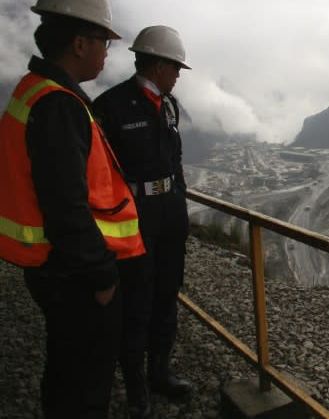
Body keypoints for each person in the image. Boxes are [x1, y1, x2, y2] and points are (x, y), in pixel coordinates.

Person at [0, 0, 146, 418]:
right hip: (74, 275)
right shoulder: (59, 105)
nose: (107, 52)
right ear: (80, 43)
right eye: (104, 40)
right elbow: (66, 204)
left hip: (53, 268)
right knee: (84, 384)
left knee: (67, 370)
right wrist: (101, 278)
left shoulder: (38, 92)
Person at [93, 25, 193, 419]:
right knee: (137, 300)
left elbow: (175, 161)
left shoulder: (168, 105)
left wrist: (179, 205)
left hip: (167, 214)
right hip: (133, 219)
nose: (178, 75)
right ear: (156, 64)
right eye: (175, 67)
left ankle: (160, 373)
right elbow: (100, 173)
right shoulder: (111, 106)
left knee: (166, 295)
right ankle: (136, 388)